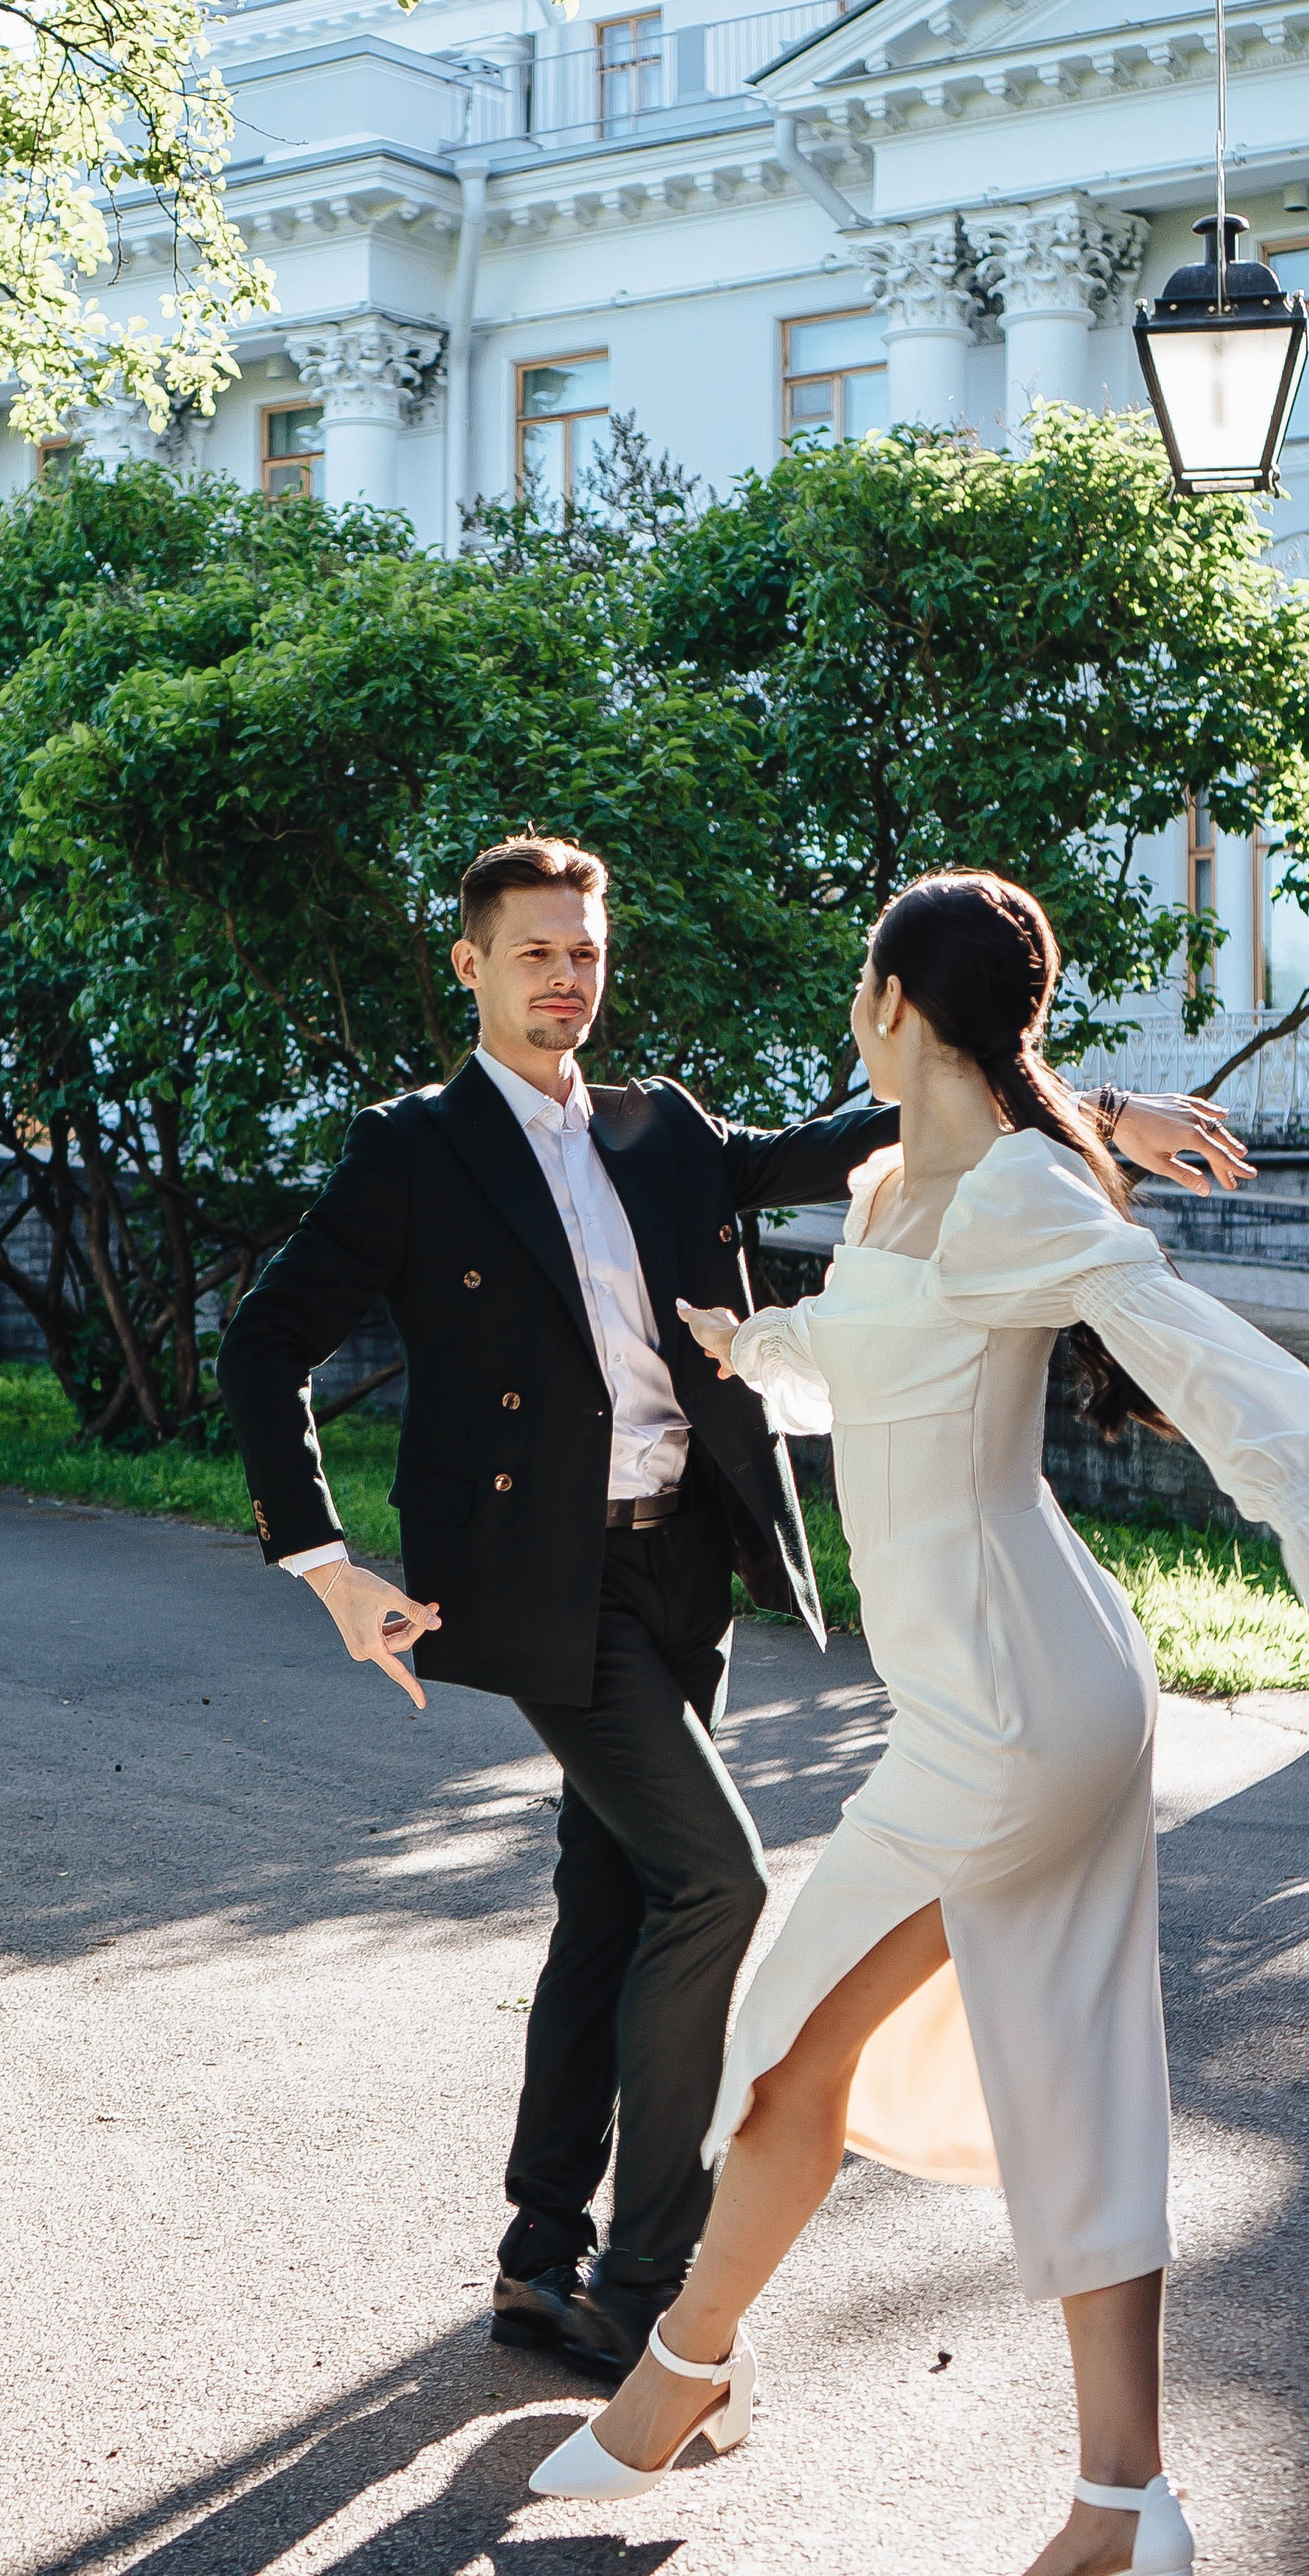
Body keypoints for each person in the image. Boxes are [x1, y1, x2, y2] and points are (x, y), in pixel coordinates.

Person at [216, 834, 1252, 2386]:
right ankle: (640, 2286)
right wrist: (325, 1562)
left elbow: (888, 1118)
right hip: (539, 1581)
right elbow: (263, 1342)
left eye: (583, 952)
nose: (565, 981)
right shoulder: (412, 1151)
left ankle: (530, 2252)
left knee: (611, 1895)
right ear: (469, 968)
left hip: (679, 1563)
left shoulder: (661, 1126)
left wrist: (1092, 1106)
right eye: (532, 956)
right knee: (715, 1882)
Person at [531, 869, 1309, 2576]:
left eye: (854, 994)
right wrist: (751, 1350)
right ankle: (1124, 2501)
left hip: (1014, 1711)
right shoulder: (896, 1184)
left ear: (896, 1004)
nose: (846, 1019)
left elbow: (1186, 1351)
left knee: (785, 2041)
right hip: (1005, 1693)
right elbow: (855, 1357)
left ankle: (679, 2383)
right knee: (1069, 2069)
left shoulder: (1023, 1192)